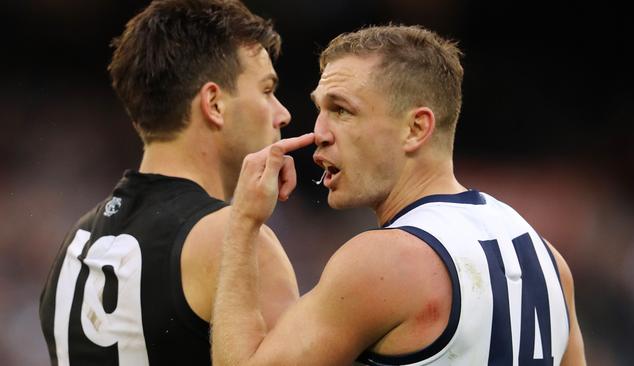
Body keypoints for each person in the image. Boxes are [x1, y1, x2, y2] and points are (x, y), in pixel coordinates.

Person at [211, 25, 587, 365]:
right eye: (320, 109)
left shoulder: (384, 261)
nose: (319, 132)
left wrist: (243, 221)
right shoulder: (548, 261)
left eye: (342, 110)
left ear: (416, 128)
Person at [38, 1, 299, 365]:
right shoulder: (233, 239)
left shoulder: (74, 246)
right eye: (268, 90)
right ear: (215, 104)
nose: (282, 113)